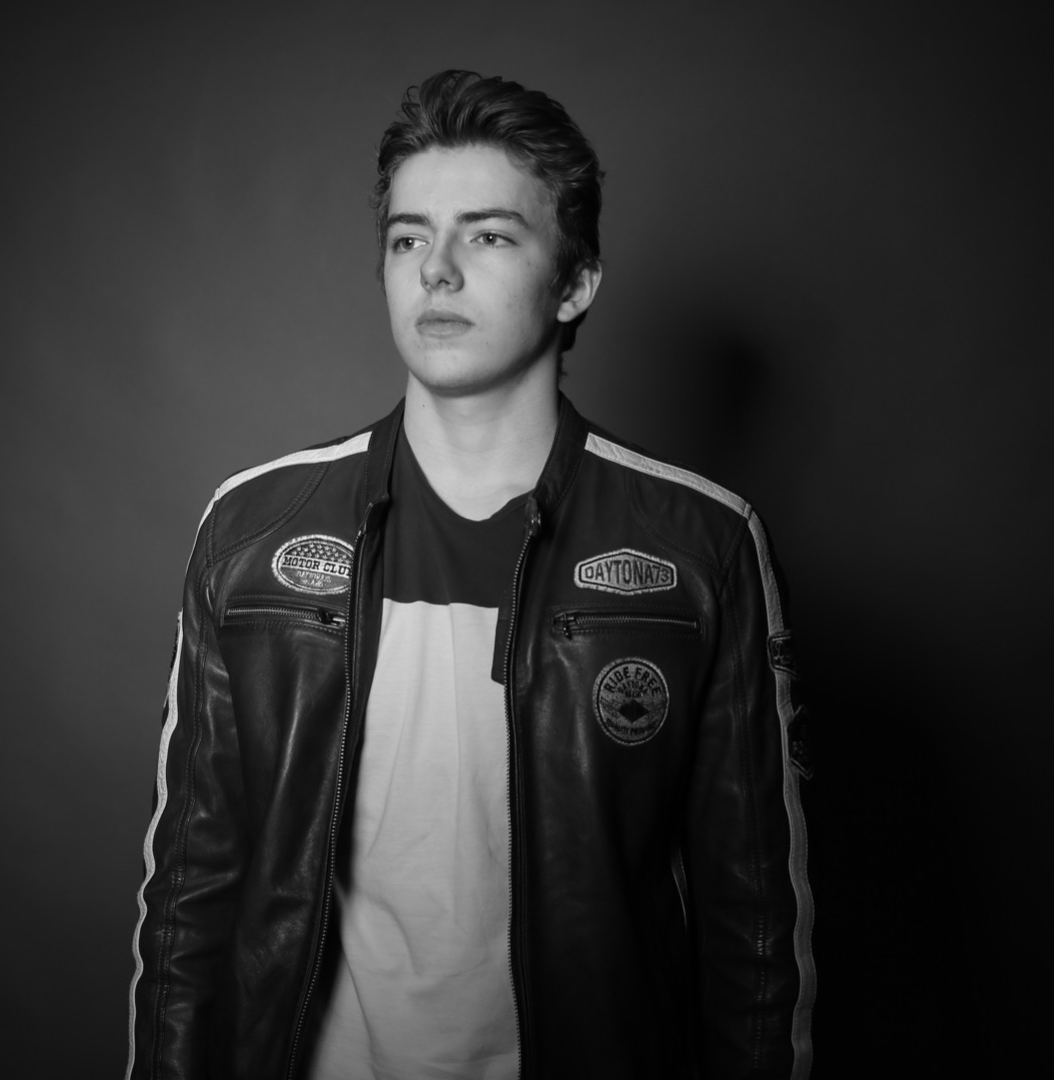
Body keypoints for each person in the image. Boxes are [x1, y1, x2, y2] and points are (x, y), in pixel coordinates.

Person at [127, 69, 814, 1080]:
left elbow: (754, 920)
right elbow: (190, 892)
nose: (437, 273)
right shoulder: (252, 531)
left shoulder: (701, 545)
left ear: (575, 284)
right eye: (410, 240)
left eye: (488, 237)